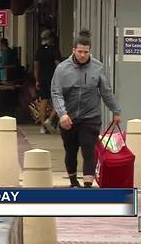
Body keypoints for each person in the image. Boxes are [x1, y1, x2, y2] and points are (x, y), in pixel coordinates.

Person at [51, 29, 121, 188]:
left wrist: (115, 110)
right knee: (71, 150)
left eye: (86, 52)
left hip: (91, 117)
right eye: (80, 51)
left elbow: (106, 91)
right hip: (69, 117)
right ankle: (73, 181)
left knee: (89, 149)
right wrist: (62, 114)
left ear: (90, 51)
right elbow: (56, 93)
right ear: (73, 50)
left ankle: (88, 186)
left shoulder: (97, 67)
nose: (83, 55)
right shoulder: (62, 69)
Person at [34, 29, 62, 134]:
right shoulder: (54, 49)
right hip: (54, 78)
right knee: (59, 99)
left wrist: (37, 80)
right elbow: (58, 64)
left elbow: (36, 66)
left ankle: (42, 127)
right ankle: (50, 119)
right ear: (50, 38)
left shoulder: (39, 50)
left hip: (42, 79)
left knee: (43, 102)